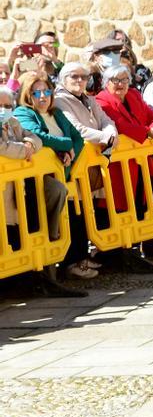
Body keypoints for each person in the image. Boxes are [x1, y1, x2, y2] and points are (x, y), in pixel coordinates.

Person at [92, 65, 153, 274]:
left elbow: (151, 114)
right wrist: (149, 132)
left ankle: (134, 249)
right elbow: (119, 124)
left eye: (124, 80)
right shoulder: (101, 100)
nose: (120, 84)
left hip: (140, 161)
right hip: (118, 166)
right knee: (116, 208)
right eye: (115, 80)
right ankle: (116, 253)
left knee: (140, 204)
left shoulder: (134, 95)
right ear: (106, 82)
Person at [1, 85, 81, 296]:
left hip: (19, 190)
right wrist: (24, 150)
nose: (3, 109)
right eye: (0, 105)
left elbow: (35, 138)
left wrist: (28, 145)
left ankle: (33, 278)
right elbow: (3, 148)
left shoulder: (13, 122)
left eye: (7, 105)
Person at [14, 71, 94, 280]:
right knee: (57, 195)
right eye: (36, 92)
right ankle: (54, 242)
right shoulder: (24, 113)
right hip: (39, 180)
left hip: (63, 172)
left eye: (46, 91)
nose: (42, 97)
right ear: (27, 95)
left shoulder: (56, 113)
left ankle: (75, 261)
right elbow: (39, 136)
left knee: (77, 207)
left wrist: (70, 155)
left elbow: (77, 138)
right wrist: (65, 146)